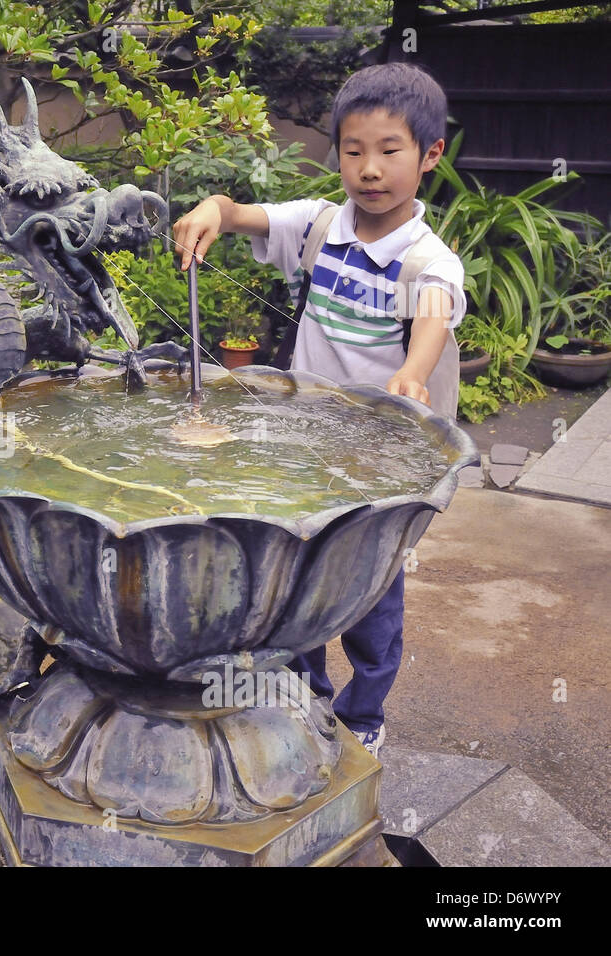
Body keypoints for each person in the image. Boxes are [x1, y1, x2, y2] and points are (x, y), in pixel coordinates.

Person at [170, 62, 466, 760]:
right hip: (301, 449)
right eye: (353, 150)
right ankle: (306, 701)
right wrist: (213, 209)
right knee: (295, 583)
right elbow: (242, 213)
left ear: (429, 155)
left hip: (381, 462)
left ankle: (365, 715)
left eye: (389, 151)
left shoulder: (429, 260)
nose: (369, 169)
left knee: (369, 596)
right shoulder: (318, 226)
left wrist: (412, 375)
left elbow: (433, 318)